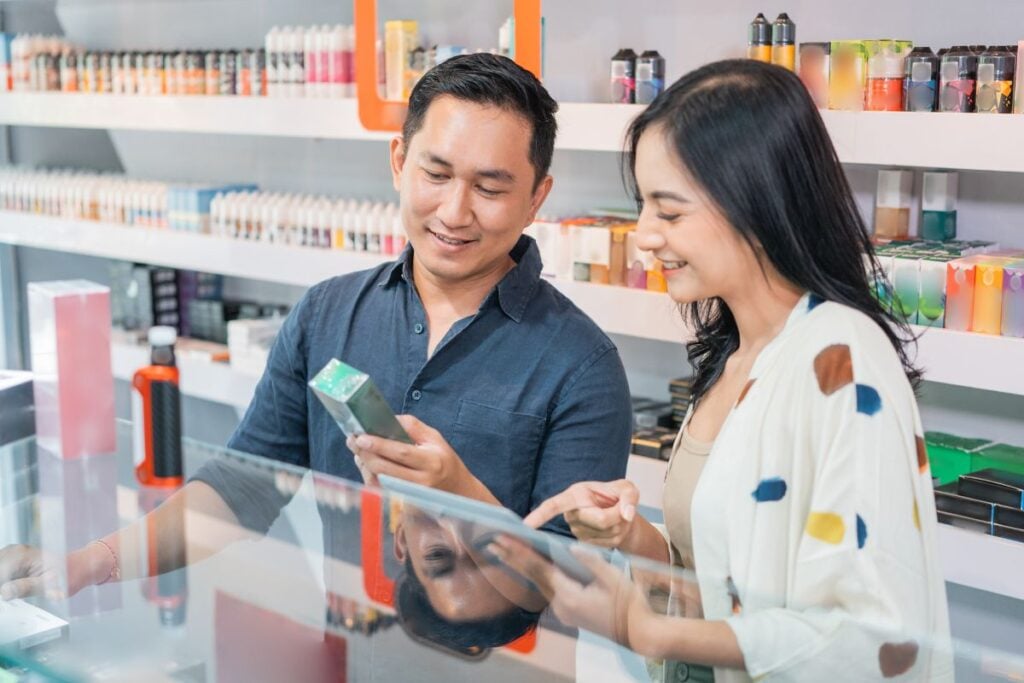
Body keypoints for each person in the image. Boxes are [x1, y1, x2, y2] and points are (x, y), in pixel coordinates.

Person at [0, 53, 632, 602]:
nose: (454, 211)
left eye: (490, 187)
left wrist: (456, 493)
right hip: (349, 646)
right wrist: (85, 565)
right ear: (398, 160)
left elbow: (572, 587)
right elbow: (239, 489)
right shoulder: (328, 313)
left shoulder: (582, 365)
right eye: (435, 175)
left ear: (536, 197)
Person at [491, 59, 952, 682]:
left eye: (670, 212)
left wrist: (643, 626)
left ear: (756, 205)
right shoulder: (735, 359)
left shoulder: (840, 361)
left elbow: (868, 637)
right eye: (643, 206)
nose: (645, 235)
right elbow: (718, 587)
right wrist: (631, 540)